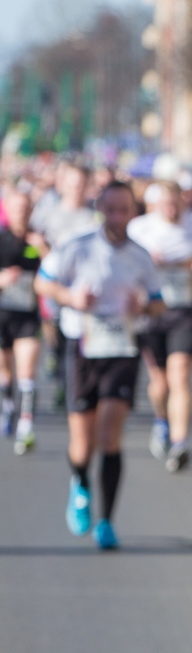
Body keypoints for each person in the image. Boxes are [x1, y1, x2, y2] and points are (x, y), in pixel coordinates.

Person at [34, 182, 164, 549]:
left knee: (110, 434)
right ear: (100, 209)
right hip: (83, 345)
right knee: (82, 442)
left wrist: (143, 306)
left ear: (133, 212)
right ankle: (80, 482)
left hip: (122, 346)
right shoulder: (77, 246)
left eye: (124, 210)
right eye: (111, 209)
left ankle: (106, 520)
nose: (118, 217)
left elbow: (158, 302)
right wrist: (71, 297)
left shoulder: (140, 256)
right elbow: (44, 284)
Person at [128, 180, 192, 472]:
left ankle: (180, 442)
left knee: (180, 377)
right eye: (166, 204)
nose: (172, 209)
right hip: (152, 314)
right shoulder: (140, 228)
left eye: (177, 203)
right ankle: (161, 420)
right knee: (160, 384)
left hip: (184, 311)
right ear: (157, 204)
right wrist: (151, 263)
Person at [0, 187, 45, 454]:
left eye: (25, 208)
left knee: (27, 371)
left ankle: (26, 426)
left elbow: (56, 274)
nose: (21, 213)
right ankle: (7, 407)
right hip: (2, 313)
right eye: (16, 208)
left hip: (28, 316)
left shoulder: (38, 240)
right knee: (5, 372)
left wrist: (43, 249)